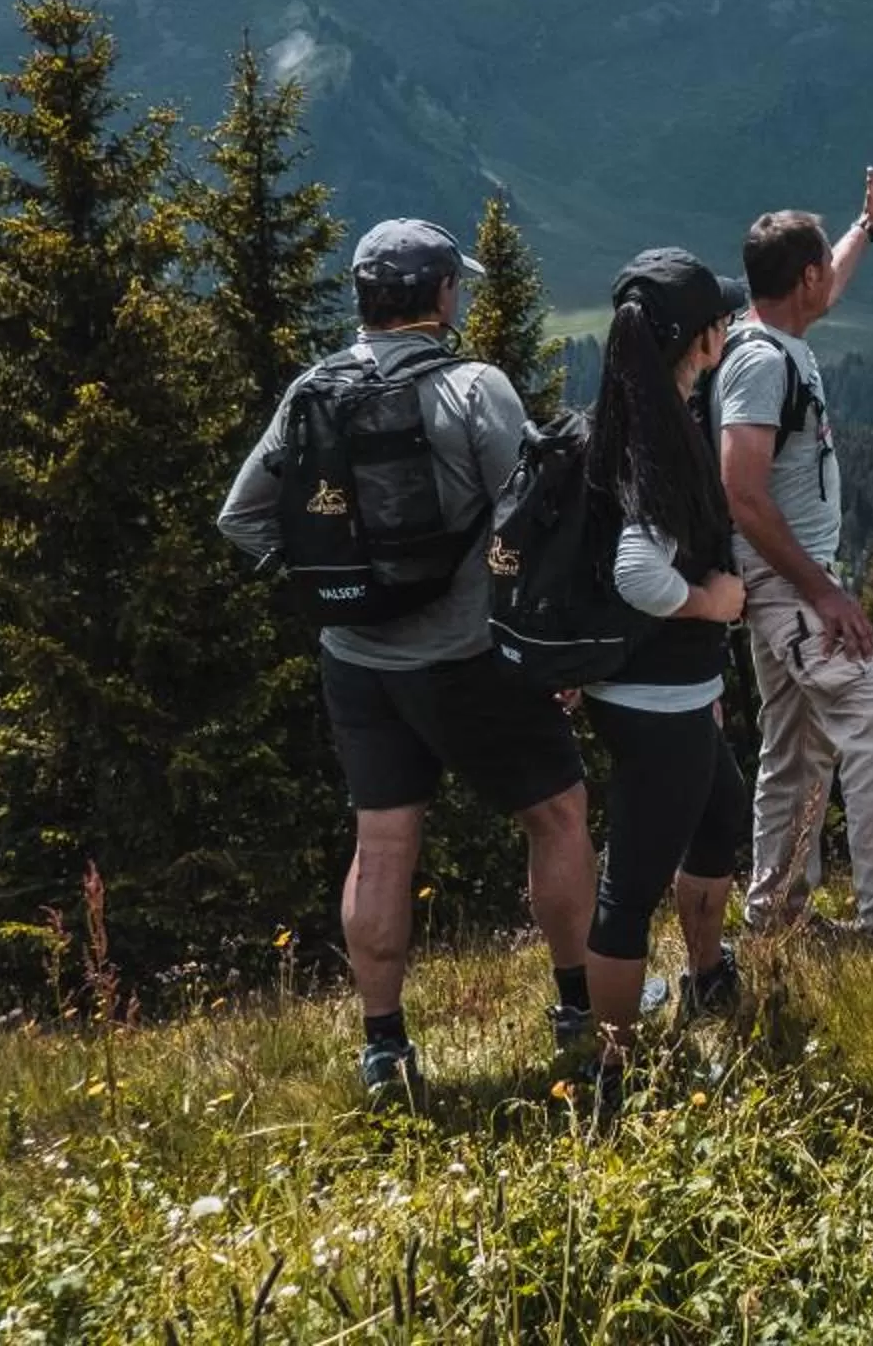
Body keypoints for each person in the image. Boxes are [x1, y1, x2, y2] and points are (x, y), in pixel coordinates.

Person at [218, 218, 596, 1101]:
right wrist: (552, 648)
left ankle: (384, 1048)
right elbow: (532, 516)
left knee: (383, 844)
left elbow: (242, 518)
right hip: (467, 658)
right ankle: (580, 1011)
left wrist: (335, 585)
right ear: (439, 295)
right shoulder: (475, 387)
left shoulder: (312, 390)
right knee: (560, 814)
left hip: (354, 660)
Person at [718, 176, 873, 942]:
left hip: (784, 584)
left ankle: (777, 919)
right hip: (788, 585)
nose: (832, 274)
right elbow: (742, 492)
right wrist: (822, 592)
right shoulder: (762, 363)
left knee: (795, 750)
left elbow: (831, 281)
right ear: (804, 279)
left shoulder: (772, 337)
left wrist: (868, 226)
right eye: (825, 263)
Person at [580, 249, 755, 1110]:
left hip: (664, 693)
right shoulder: (660, 439)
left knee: (721, 814)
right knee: (631, 885)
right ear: (701, 339)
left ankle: (707, 978)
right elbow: (636, 573)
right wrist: (710, 602)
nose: (730, 326)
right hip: (656, 701)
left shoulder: (634, 413)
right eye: (721, 317)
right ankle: (610, 1071)